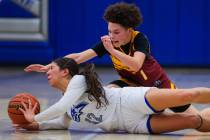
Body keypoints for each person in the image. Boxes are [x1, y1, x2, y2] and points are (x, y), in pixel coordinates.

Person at [24, 2, 190, 113]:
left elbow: (136, 65)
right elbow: (80, 56)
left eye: (116, 32)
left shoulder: (139, 39)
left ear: (129, 30)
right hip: (130, 83)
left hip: (158, 85)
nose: (111, 35)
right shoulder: (109, 43)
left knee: (190, 115)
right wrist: (52, 65)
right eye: (110, 31)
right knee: (105, 93)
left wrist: (112, 50)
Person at [15, 57, 210, 134]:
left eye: (51, 68)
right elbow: (62, 122)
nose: (47, 72)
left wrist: (36, 117)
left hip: (128, 101)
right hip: (128, 124)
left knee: (187, 95)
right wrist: (37, 125)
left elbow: (59, 108)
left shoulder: (78, 81)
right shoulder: (68, 102)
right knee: (193, 120)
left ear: (65, 72)